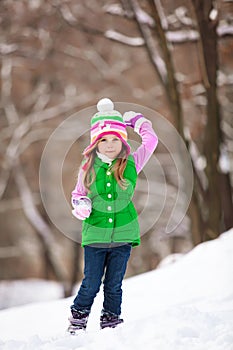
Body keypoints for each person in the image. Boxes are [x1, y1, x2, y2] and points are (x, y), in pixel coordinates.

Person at [68, 98, 158, 334]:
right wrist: (81, 205)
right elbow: (78, 194)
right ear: (95, 143)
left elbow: (151, 141)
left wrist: (137, 122)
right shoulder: (87, 167)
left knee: (114, 285)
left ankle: (110, 321)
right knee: (91, 283)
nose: (110, 145)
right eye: (104, 139)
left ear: (123, 141)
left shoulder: (131, 164)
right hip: (95, 234)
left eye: (115, 139)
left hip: (123, 234)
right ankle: (78, 319)